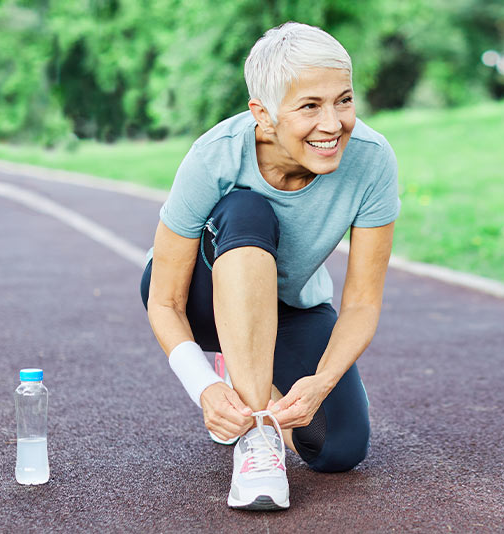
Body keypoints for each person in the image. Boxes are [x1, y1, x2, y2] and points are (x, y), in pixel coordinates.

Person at [139, 21, 399, 511]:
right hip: (199, 300)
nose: (333, 123)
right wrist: (206, 388)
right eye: (309, 106)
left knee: (339, 448)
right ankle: (255, 440)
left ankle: (246, 372)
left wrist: (319, 384)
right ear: (262, 114)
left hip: (289, 306)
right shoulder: (215, 155)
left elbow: (363, 301)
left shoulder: (372, 160)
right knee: (246, 210)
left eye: (343, 100)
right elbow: (164, 300)